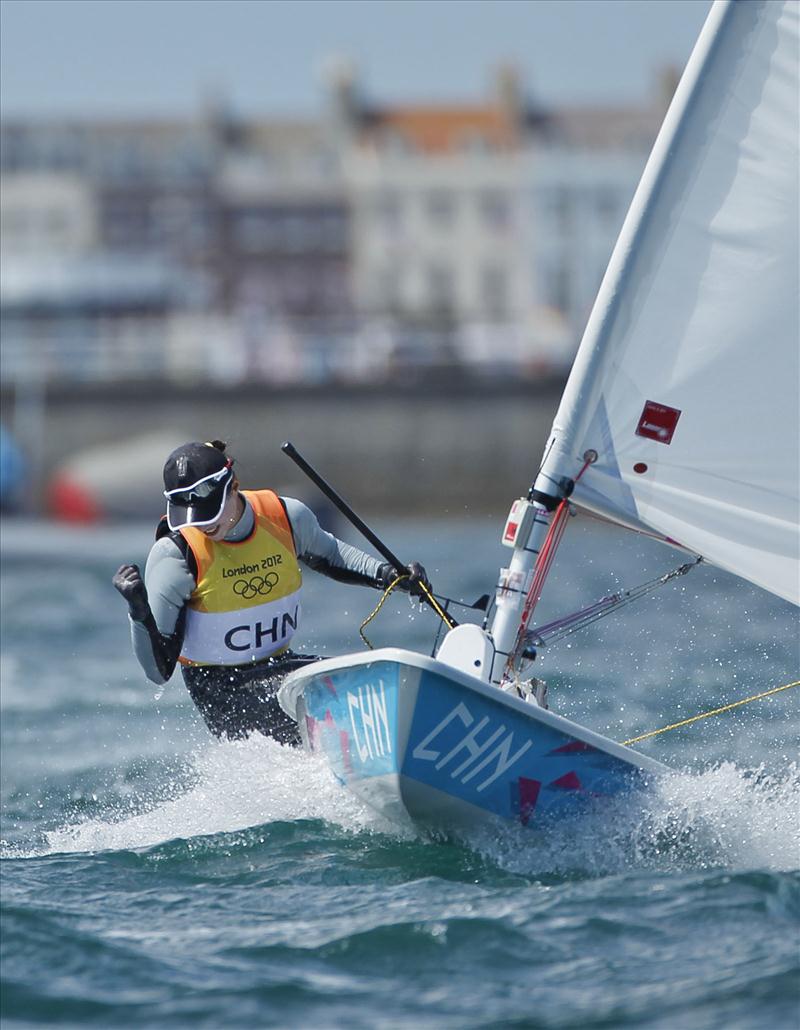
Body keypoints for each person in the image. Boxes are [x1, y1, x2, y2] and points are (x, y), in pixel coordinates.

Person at [113, 440, 431, 743]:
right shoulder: (175, 556)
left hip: (280, 668)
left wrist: (392, 575)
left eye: (209, 510)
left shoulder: (285, 517)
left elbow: (333, 555)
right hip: (222, 691)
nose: (201, 525)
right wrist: (138, 612)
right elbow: (158, 671)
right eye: (189, 514)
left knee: (372, 686)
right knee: (326, 722)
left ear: (233, 485)